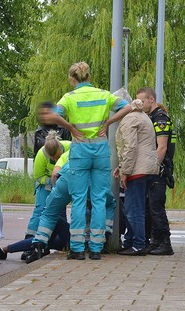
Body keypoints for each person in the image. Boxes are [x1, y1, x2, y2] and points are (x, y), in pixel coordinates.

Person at [39, 61, 132, 260]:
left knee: (79, 199)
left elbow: (53, 115)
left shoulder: (69, 97)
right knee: (99, 199)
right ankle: (97, 249)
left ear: (73, 79)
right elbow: (129, 107)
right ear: (89, 76)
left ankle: (78, 249)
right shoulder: (103, 95)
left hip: (80, 151)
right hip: (100, 151)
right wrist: (109, 122)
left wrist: (71, 128)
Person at [24, 149, 116, 262]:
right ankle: (97, 247)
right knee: (107, 205)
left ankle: (39, 246)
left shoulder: (70, 149)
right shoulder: (101, 152)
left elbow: (54, 174)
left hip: (67, 176)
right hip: (94, 181)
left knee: (49, 213)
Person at [114, 98, 160, 255]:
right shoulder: (143, 116)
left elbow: (130, 147)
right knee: (136, 207)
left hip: (137, 170)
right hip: (147, 168)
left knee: (133, 209)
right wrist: (120, 168)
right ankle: (130, 242)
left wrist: (125, 171)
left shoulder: (129, 119)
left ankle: (138, 245)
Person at [136, 87, 177, 255]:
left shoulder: (160, 118)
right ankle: (154, 242)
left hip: (158, 170)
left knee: (156, 207)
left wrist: (153, 169)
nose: (140, 104)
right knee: (149, 207)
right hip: (151, 168)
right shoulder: (150, 117)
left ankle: (165, 244)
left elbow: (162, 147)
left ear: (151, 99)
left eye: (142, 101)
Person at [20, 132, 71, 259]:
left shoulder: (70, 147)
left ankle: (58, 241)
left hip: (63, 182)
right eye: (52, 159)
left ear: (61, 150)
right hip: (45, 185)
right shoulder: (41, 156)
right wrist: (51, 182)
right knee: (40, 211)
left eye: (57, 157)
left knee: (60, 212)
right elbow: (38, 177)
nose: (55, 160)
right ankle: (30, 240)